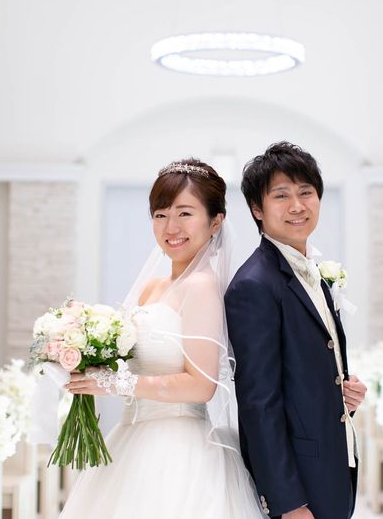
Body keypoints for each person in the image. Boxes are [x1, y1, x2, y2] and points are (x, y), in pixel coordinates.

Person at [60, 159, 264, 518]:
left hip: (178, 447)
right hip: (131, 436)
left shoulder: (202, 286)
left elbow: (202, 386)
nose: (171, 227)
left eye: (185, 213)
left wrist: (114, 383)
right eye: (160, 214)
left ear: (215, 222)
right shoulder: (153, 287)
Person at [225, 142, 367, 519]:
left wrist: (343, 392)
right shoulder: (254, 285)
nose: (297, 206)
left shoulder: (311, 272)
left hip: (330, 464)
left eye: (306, 192)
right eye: (281, 195)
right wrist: (288, 502)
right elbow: (258, 403)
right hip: (298, 486)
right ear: (257, 209)